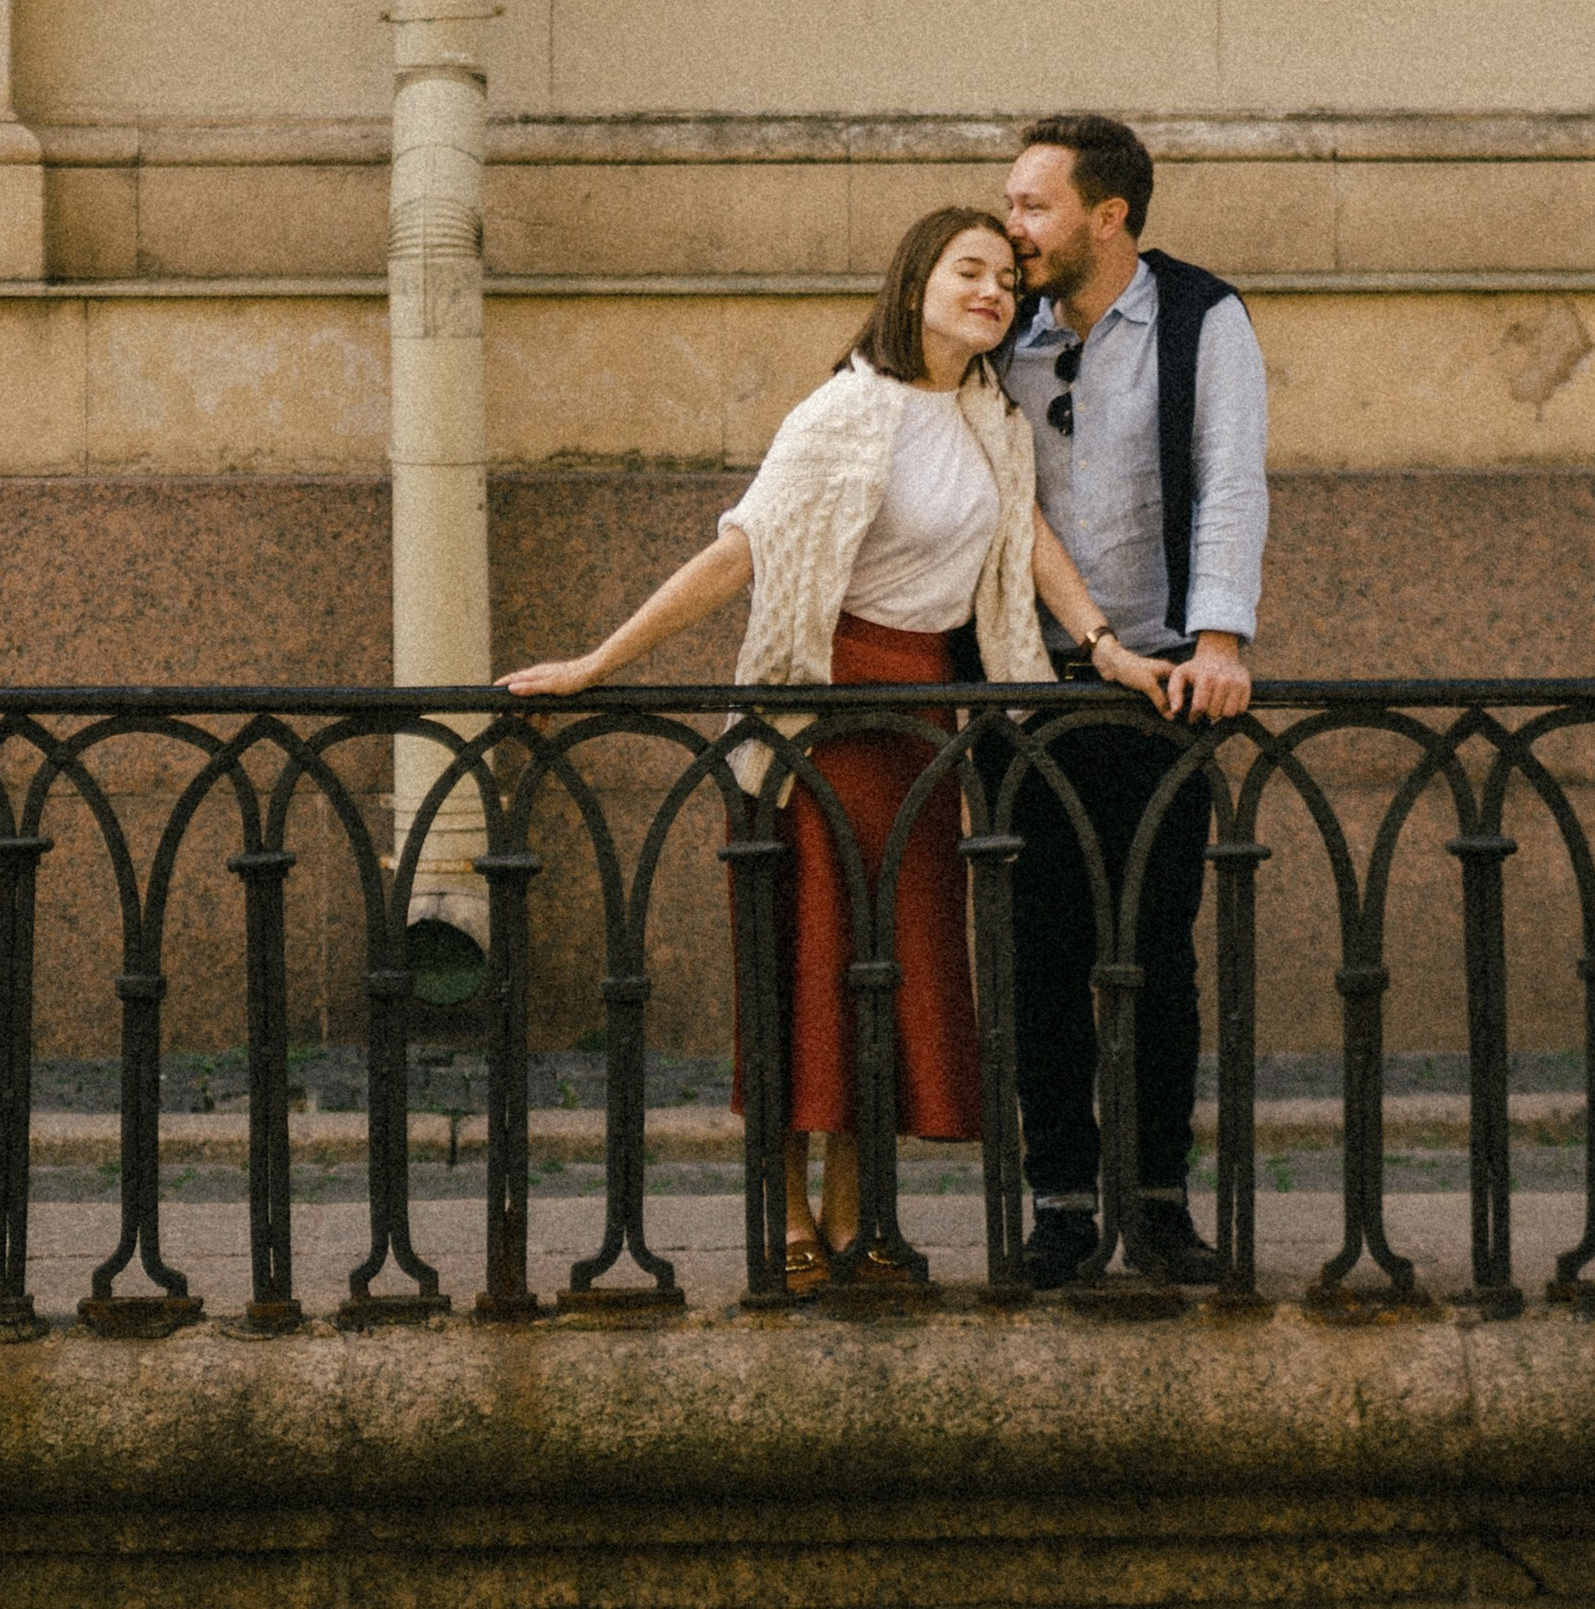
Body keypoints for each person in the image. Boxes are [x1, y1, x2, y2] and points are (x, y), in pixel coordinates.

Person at [499, 205, 1170, 1291]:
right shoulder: (843, 413)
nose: (993, 293)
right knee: (804, 970)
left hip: (926, 730)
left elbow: (1029, 543)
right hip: (817, 725)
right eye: (969, 271)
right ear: (915, 284)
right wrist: (594, 664)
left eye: (1006, 278)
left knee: (887, 977)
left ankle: (859, 1217)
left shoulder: (996, 420)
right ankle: (787, 1215)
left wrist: (1107, 649)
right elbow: (737, 554)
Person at [996, 115, 1270, 1290]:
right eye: (1009, 206)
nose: (1012, 230)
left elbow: (1228, 476)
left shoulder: (1205, 316)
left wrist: (1217, 641)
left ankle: (1158, 1205)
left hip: (1160, 682)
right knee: (1039, 956)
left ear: (1107, 216)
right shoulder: (995, 322)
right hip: (1019, 688)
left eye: (1032, 208)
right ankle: (1059, 1207)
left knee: (1158, 955)